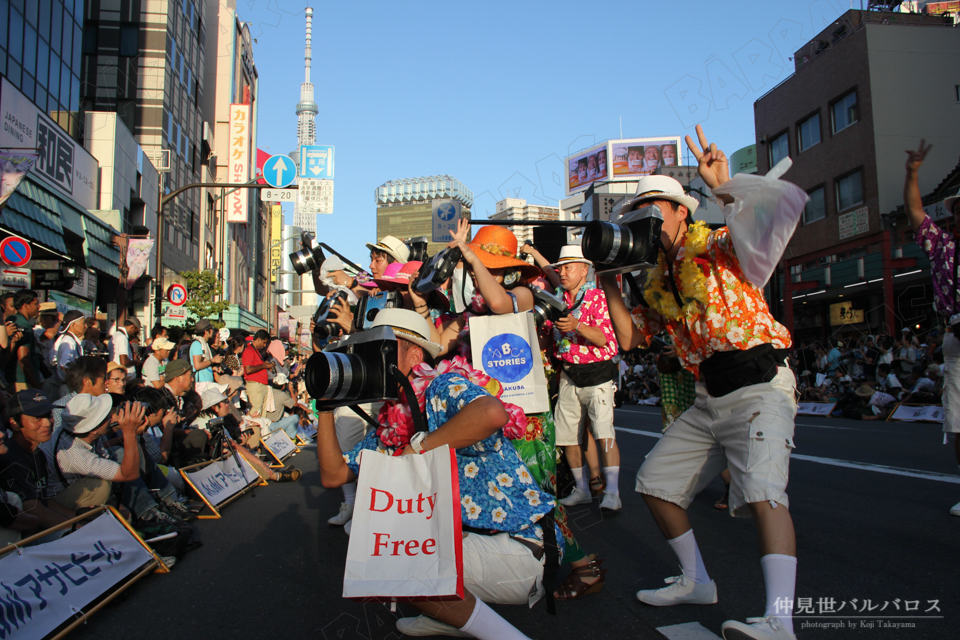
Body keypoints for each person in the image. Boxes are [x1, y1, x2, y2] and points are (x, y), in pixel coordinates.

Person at [599, 125, 804, 640]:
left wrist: (723, 186)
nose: (642, 219)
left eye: (653, 208)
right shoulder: (649, 278)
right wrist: (608, 282)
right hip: (708, 394)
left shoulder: (714, 244)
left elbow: (759, 232)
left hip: (760, 384)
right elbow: (629, 340)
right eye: (635, 212)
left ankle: (781, 620)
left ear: (680, 213)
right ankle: (697, 582)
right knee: (657, 486)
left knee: (764, 493)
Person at [315, 309, 559, 640]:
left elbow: (491, 412)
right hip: (480, 543)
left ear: (415, 354)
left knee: (394, 563)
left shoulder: (442, 386)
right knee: (386, 548)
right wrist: (326, 407)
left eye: (379, 350)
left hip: (522, 547)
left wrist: (422, 446)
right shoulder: (391, 417)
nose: (368, 360)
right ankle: (450, 617)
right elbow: (334, 475)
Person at [547, 245, 622, 511]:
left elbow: (605, 340)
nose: (562, 273)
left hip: (597, 373)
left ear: (584, 269)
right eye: (560, 268)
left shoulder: (598, 297)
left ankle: (612, 491)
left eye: (568, 267)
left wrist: (577, 325)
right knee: (567, 436)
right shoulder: (557, 298)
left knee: (604, 433)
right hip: (569, 373)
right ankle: (581, 489)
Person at [0, 391, 77, 534]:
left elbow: (43, 500)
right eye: (37, 418)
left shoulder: (37, 453)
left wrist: (78, 520)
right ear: (15, 424)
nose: (47, 423)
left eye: (48, 415)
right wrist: (76, 529)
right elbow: (34, 509)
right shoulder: (10, 459)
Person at [7, 290, 44, 390]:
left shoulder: (13, 319)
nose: (38, 306)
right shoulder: (24, 324)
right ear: (26, 306)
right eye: (35, 303)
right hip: (21, 382)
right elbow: (24, 359)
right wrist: (36, 387)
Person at [46, 310, 87, 400]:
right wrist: (75, 381)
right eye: (83, 323)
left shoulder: (71, 340)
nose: (85, 326)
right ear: (73, 325)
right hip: (68, 387)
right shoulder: (68, 341)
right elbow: (64, 364)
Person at [242, 330, 275, 417]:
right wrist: (264, 366)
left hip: (261, 386)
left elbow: (257, 366)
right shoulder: (249, 350)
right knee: (256, 412)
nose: (264, 345)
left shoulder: (256, 351)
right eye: (264, 343)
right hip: (255, 385)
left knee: (262, 414)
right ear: (259, 339)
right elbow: (248, 370)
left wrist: (266, 366)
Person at [190, 319, 224, 384]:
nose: (212, 330)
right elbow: (197, 366)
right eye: (211, 329)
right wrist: (213, 360)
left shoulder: (204, 344)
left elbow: (204, 363)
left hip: (207, 381)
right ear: (206, 332)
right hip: (201, 382)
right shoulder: (197, 344)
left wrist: (214, 368)